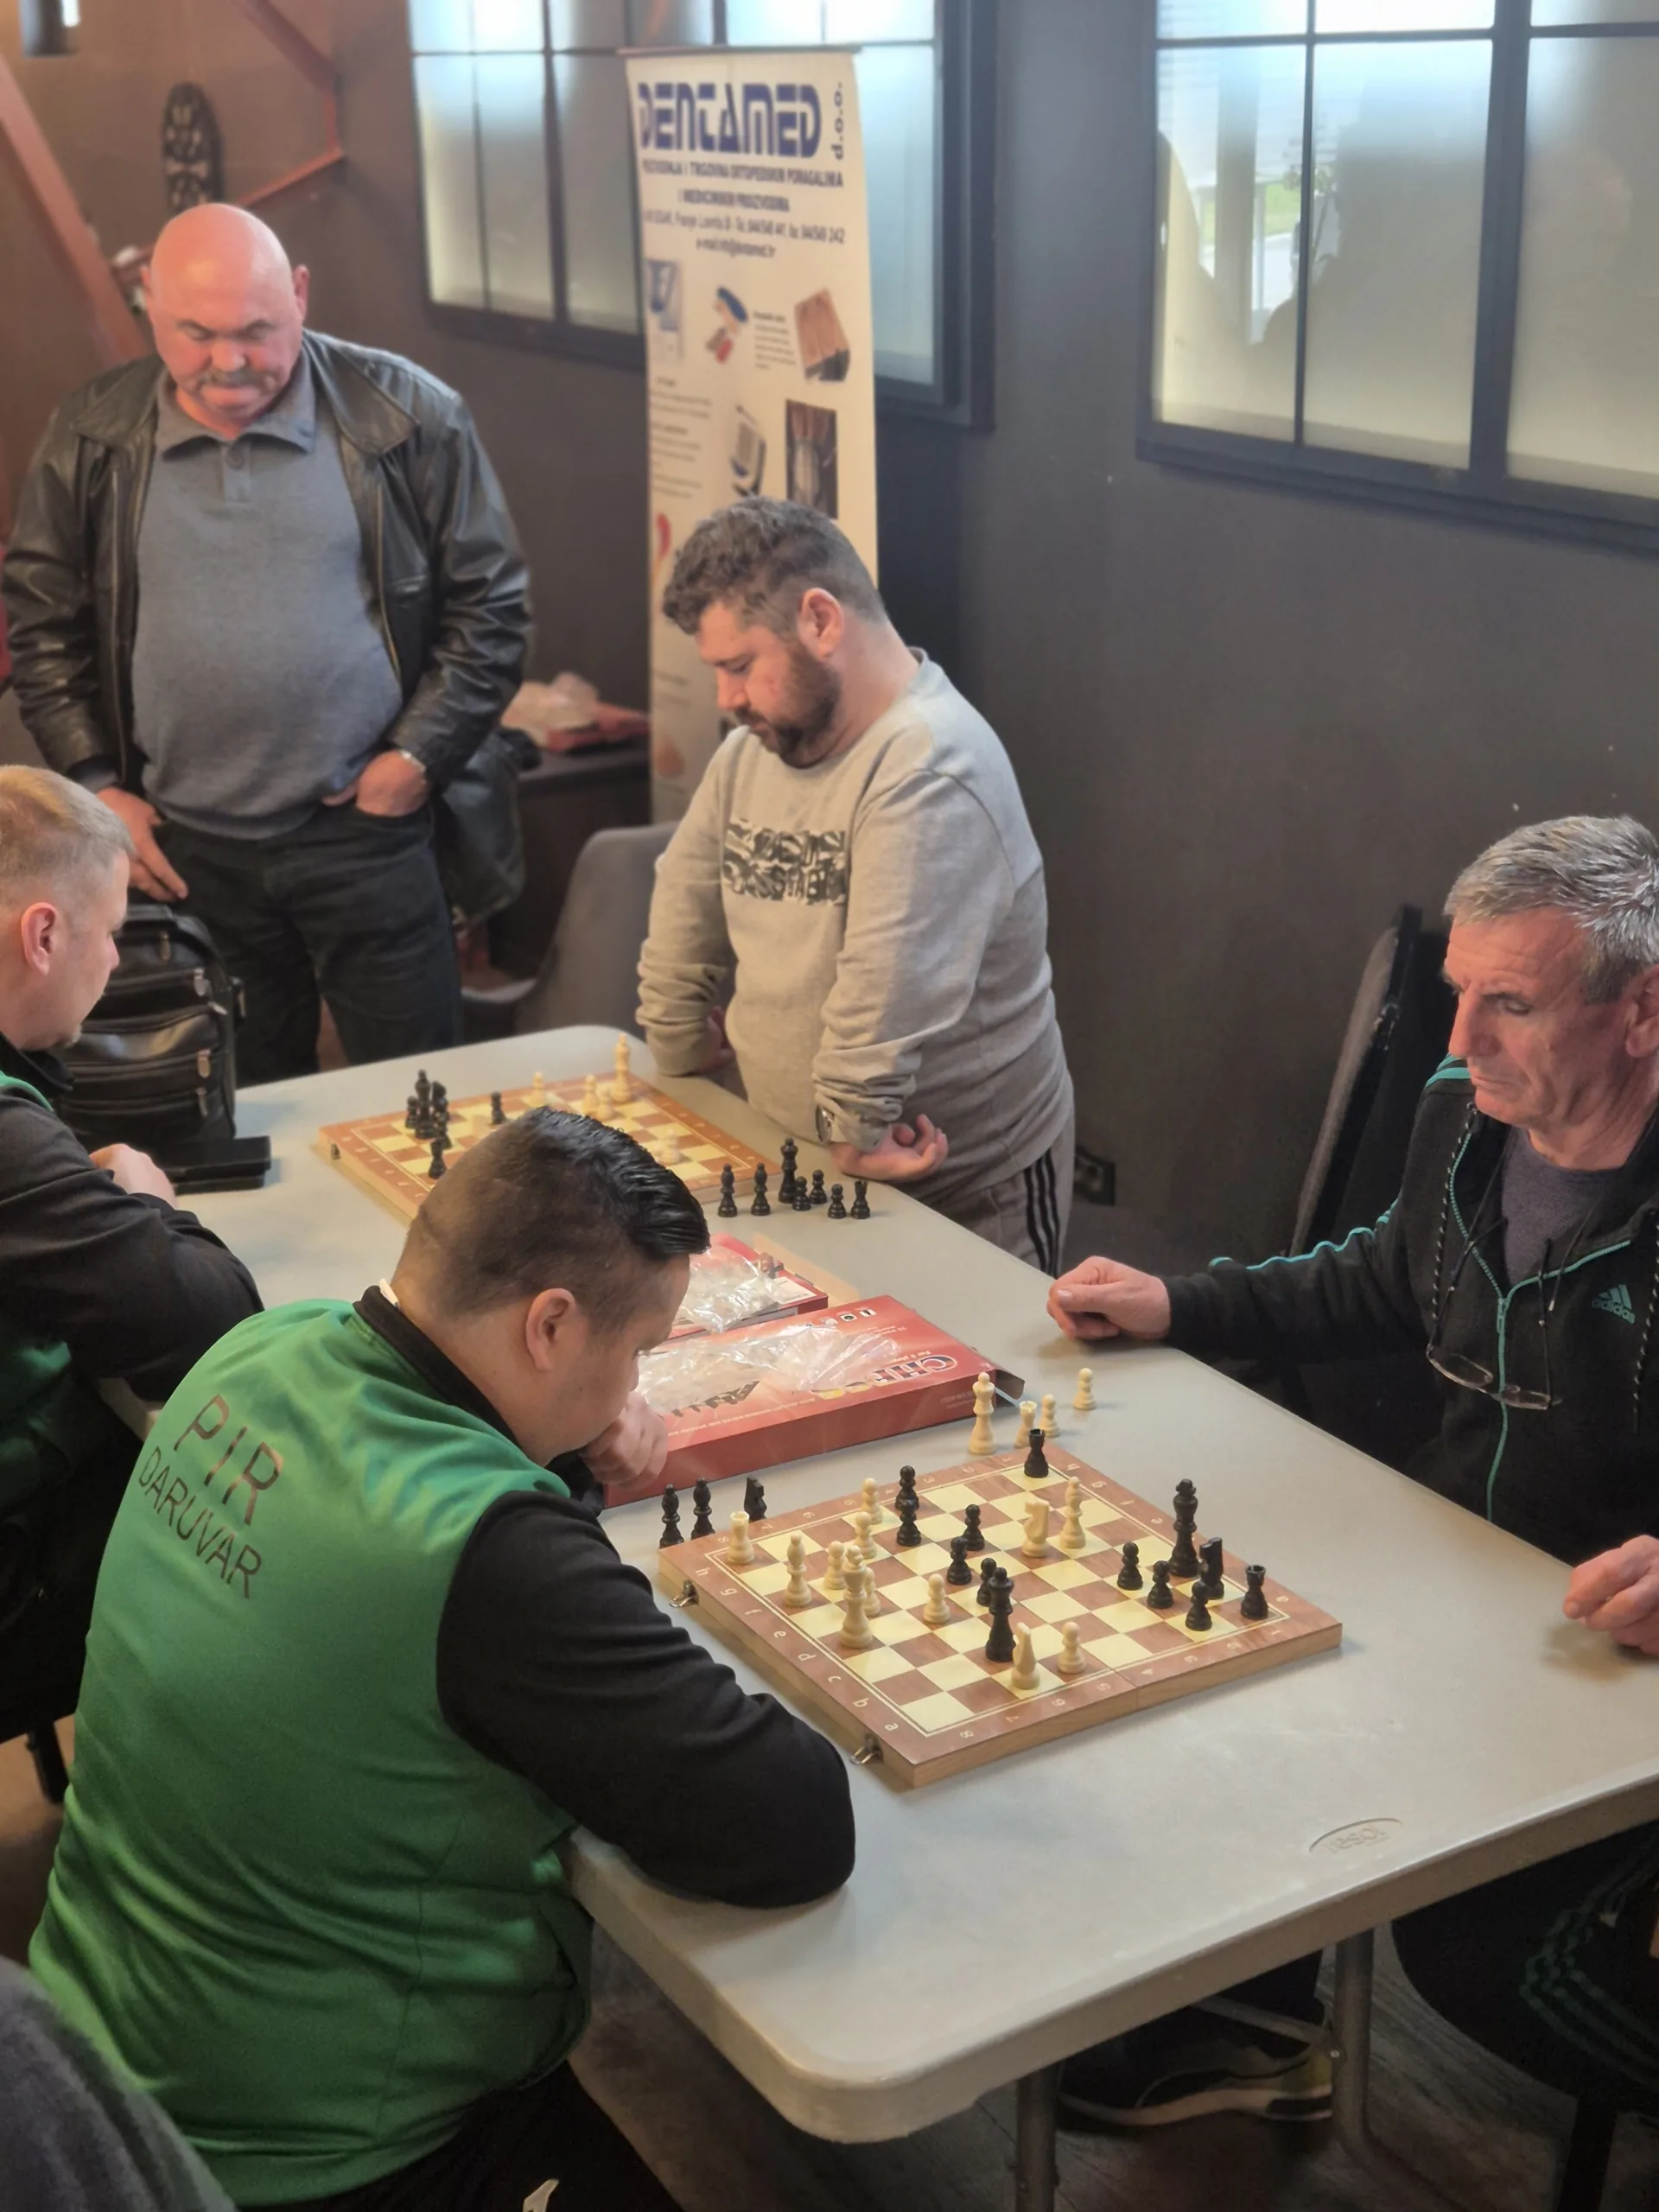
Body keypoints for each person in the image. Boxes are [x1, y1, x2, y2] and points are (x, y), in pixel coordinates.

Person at [30, 1108, 856, 2210]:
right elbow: (792, 1822)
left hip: (83, 2061)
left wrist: (562, 1449)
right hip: (308, 2155)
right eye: (637, 1353)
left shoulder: (261, 1346)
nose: (632, 1391)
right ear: (550, 1324)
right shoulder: (492, 1556)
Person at [1046, 814, 1659, 2131]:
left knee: (1481, 1953)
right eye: (1457, 994)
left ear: (1642, 1011)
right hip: (1463, 1578)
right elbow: (1391, 1274)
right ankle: (1256, 2031)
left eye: (1510, 1004)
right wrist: (1185, 1303)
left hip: (1617, 1657)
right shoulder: (1466, 1107)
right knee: (1212, 1692)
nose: (1460, 1040)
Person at [1, 202, 529, 1085]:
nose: (229, 360)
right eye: (197, 333)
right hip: (182, 847)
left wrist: (414, 761)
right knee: (239, 1104)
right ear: (149, 303)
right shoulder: (91, 433)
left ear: (301, 296)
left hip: (367, 832)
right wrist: (98, 786)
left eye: (256, 330)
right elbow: (42, 622)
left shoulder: (408, 416)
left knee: (423, 1098)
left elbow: (493, 607)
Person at [636, 498, 1074, 1272]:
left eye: (739, 666)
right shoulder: (750, 754)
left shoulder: (932, 764)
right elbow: (683, 904)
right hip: (809, 1159)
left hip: (963, 1187)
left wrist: (854, 1127)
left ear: (821, 620)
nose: (725, 699)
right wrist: (675, 1039)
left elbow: (886, 979)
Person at [0, 766, 259, 1724]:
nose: (114, 959)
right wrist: (149, 1208)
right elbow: (214, 1320)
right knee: (266, 1549)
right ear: (42, 934)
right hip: (21, 1572)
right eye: (109, 931)